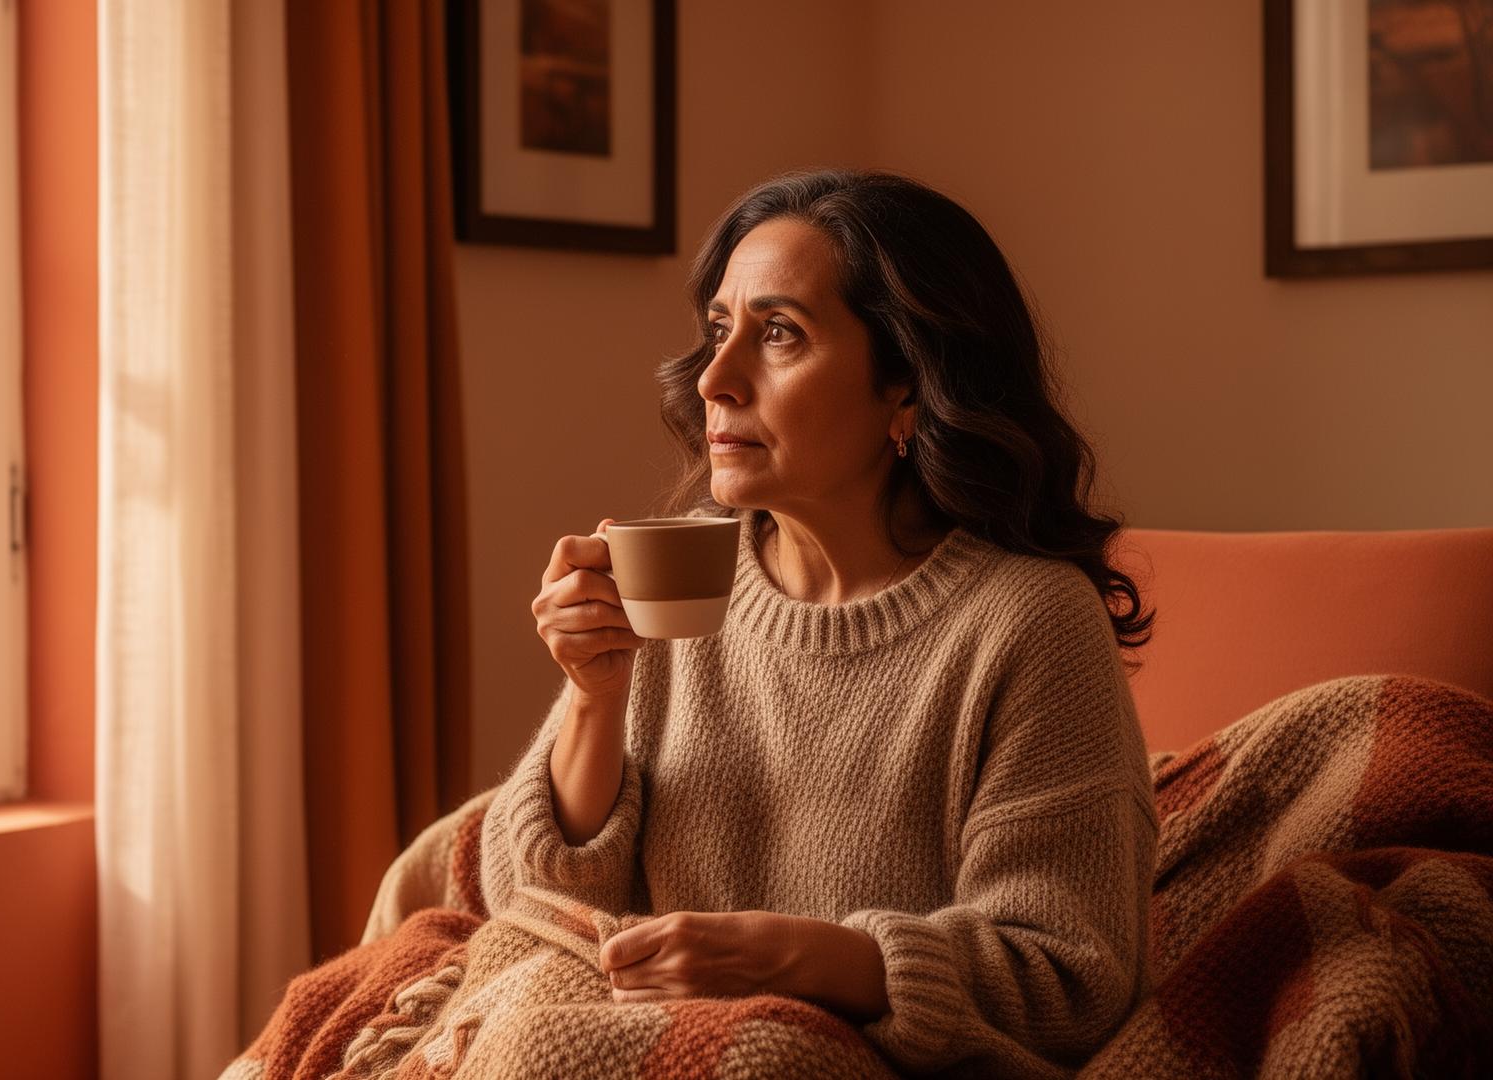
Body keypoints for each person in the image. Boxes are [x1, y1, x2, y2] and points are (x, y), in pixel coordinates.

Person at [489, 169, 1158, 1077]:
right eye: (719, 330)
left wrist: (805, 961)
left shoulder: (1026, 625)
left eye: (778, 335)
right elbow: (530, 900)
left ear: (908, 389)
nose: (716, 380)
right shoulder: (680, 571)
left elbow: (1067, 978)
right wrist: (596, 696)